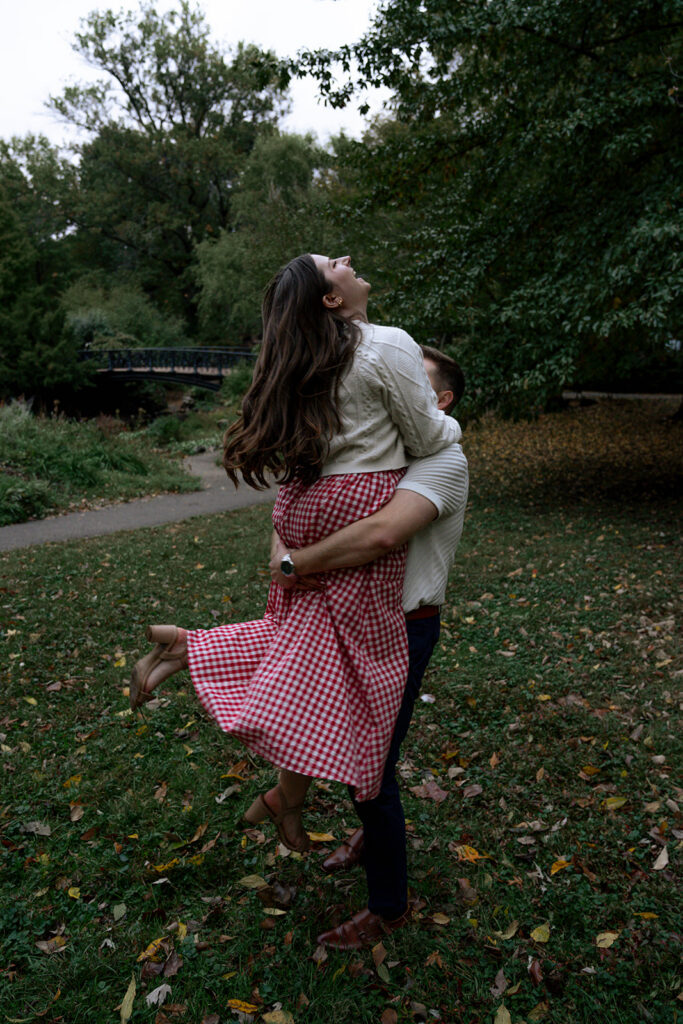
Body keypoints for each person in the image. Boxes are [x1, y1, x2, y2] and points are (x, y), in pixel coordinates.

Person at [130, 254, 461, 869]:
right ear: (330, 301)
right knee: (361, 667)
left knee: (301, 640)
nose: (347, 259)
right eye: (332, 263)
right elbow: (433, 439)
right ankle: (363, 797)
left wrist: (290, 551)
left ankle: (194, 655)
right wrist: (443, 424)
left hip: (302, 501)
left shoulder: (312, 359)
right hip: (355, 510)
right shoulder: (387, 343)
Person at [268, 347, 468, 948]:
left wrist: (294, 561)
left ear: (438, 402)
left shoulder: (443, 463)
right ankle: (369, 837)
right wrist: (280, 553)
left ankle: (390, 906)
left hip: (403, 629)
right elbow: (298, 496)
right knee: (367, 751)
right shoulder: (373, 452)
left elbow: (377, 534)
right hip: (343, 622)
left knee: (372, 772)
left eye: (408, 384)